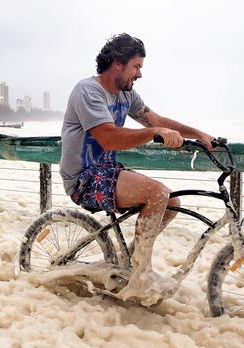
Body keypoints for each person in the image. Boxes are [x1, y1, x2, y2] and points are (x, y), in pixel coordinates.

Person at [60, 33, 214, 306]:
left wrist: (196, 133)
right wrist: (155, 132)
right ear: (117, 63)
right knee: (156, 193)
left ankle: (132, 263)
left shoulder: (126, 94)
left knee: (172, 201)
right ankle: (141, 274)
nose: (140, 74)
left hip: (107, 171)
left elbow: (155, 119)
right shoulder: (88, 91)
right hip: (84, 178)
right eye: (137, 66)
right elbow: (109, 136)